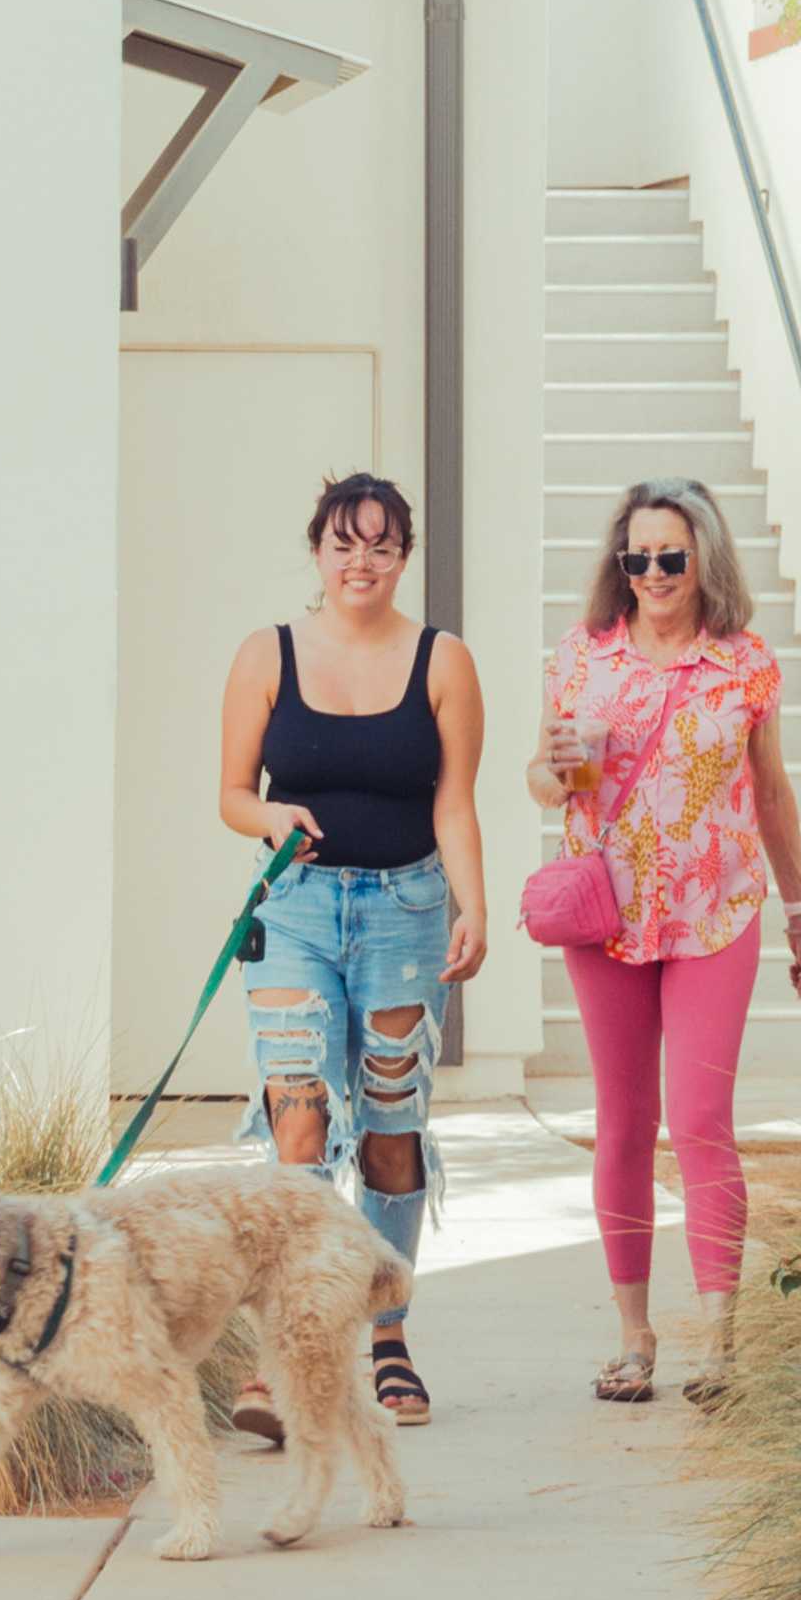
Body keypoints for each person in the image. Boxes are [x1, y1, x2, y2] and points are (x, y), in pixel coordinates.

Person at [529, 473, 801, 1404]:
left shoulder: (743, 663)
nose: (653, 573)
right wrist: (560, 772)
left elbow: (773, 794)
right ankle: (633, 1338)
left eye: (670, 556)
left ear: (703, 557)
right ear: (620, 565)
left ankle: (719, 1345)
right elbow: (541, 781)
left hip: (716, 914)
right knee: (622, 1124)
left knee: (700, 1124)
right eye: (637, 558)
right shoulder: (583, 658)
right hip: (608, 916)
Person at [215, 470, 485, 1427]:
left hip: (406, 909)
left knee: (390, 1129)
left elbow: (452, 801)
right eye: (343, 543)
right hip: (293, 908)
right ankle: (280, 1359)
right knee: (297, 1123)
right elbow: (231, 793)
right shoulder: (268, 654)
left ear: (403, 555)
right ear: (317, 552)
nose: (360, 561)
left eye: (380, 544)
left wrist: (474, 908)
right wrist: (272, 812)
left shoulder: (443, 660)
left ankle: (387, 1337)